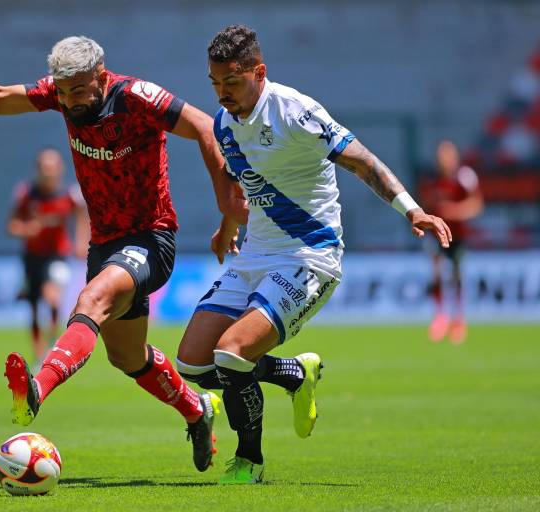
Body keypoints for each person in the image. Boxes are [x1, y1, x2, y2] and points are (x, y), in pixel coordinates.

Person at [0, 31, 245, 472]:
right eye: (62, 91)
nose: (70, 100)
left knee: (91, 301)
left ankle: (37, 390)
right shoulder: (61, 96)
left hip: (149, 238)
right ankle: (198, 411)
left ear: (101, 76)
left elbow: (203, 125)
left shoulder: (138, 97)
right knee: (126, 356)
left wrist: (226, 206)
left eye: (79, 90)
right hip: (105, 244)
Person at [175, 25, 452, 484]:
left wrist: (413, 209)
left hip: (309, 256)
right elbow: (241, 183)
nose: (222, 94)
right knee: (193, 363)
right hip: (255, 256)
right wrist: (227, 227)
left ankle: (249, 462)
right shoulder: (225, 123)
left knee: (231, 354)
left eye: (232, 81)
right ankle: (293, 374)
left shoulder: (296, 112)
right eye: (215, 83)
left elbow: (363, 161)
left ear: (259, 73)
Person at [8, 147, 89, 367]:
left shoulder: (68, 195)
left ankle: (53, 338)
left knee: (52, 297)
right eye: (44, 167)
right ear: (38, 169)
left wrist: (82, 242)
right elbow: (12, 226)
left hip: (58, 254)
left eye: (52, 167)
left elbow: (82, 216)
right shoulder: (27, 195)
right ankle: (39, 355)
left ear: (60, 169)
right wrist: (27, 230)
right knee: (34, 307)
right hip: (32, 256)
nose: (48, 172)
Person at [421, 141, 483, 344]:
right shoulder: (433, 180)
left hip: (458, 235)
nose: (443, 161)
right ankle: (440, 317)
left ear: (454, 157)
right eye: (440, 157)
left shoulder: (464, 177)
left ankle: (458, 319)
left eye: (446, 156)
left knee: (456, 275)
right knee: (437, 273)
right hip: (437, 235)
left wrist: (454, 212)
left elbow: (476, 205)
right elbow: (427, 205)